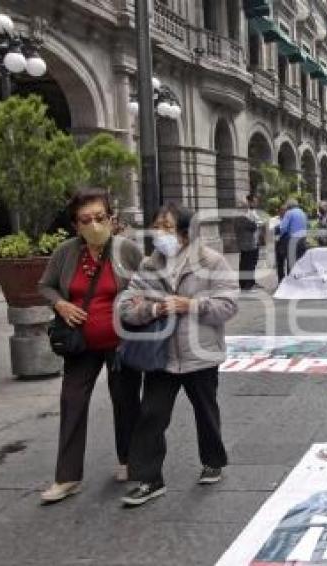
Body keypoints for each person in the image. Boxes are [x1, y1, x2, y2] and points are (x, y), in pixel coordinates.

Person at [118, 203, 239, 507]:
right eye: (157, 226)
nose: (159, 232)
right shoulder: (148, 266)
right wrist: (154, 309)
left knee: (206, 410)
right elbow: (125, 309)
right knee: (151, 416)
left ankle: (213, 461)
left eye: (167, 227)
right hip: (161, 357)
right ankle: (149, 479)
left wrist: (191, 305)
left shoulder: (211, 261)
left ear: (185, 232)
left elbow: (228, 305)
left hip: (200, 354)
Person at [37, 188, 144, 504]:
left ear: (111, 218)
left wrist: (140, 298)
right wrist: (61, 305)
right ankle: (67, 477)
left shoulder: (126, 249)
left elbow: (150, 281)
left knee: (125, 400)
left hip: (121, 343)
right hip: (80, 343)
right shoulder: (66, 253)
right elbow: (45, 285)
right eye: (86, 220)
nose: (95, 224)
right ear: (76, 225)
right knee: (72, 402)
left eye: (100, 217)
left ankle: (129, 459)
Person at [234, 194, 264, 291]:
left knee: (246, 264)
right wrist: (256, 223)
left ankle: (247, 283)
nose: (247, 208)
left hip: (247, 244)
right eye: (245, 206)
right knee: (248, 265)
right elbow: (253, 226)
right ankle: (247, 285)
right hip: (249, 245)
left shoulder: (240, 217)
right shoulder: (243, 218)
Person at [276, 198, 308, 282]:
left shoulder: (289, 213)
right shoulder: (303, 213)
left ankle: (291, 283)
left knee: (291, 262)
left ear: (289, 205)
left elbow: (283, 228)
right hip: (303, 240)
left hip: (292, 241)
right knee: (300, 262)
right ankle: (300, 281)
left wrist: (279, 236)